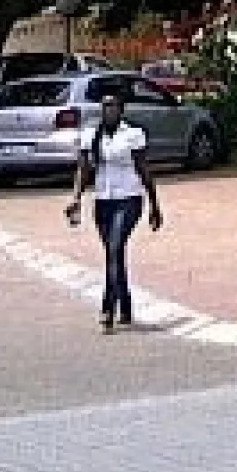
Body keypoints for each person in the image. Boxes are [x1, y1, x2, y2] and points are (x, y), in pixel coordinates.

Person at [67, 89, 162, 331]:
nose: (108, 110)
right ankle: (126, 305)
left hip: (129, 199)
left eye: (113, 106)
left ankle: (107, 308)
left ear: (121, 110)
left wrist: (154, 204)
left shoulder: (132, 134)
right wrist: (75, 198)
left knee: (115, 247)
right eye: (105, 106)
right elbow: (83, 170)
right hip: (103, 200)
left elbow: (143, 169)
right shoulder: (92, 135)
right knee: (113, 255)